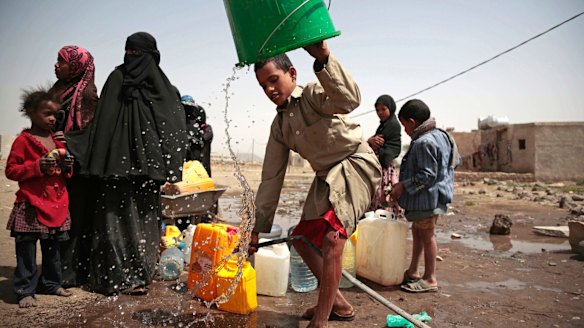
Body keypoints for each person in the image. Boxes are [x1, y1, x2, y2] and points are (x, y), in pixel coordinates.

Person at [249, 41, 381, 327]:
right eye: (263, 86)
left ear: (292, 74)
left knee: (334, 239)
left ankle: (320, 321)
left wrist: (323, 57)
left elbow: (349, 100)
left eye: (274, 80)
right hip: (326, 178)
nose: (270, 89)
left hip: (355, 165)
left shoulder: (312, 95)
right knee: (301, 239)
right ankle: (338, 305)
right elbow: (271, 179)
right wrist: (256, 231)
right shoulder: (279, 127)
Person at [65, 32, 187, 295]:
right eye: (128, 52)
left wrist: (167, 165)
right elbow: (103, 125)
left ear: (152, 56)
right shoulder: (117, 79)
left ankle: (139, 275)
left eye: (137, 54)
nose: (132, 58)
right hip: (115, 171)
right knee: (113, 220)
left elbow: (174, 128)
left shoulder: (163, 89)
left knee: (143, 222)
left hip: (148, 171)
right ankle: (115, 277)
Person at [5, 88, 74, 308]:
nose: (53, 118)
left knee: (52, 247)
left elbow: (65, 172)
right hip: (31, 203)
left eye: (56, 114)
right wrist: (37, 166)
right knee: (26, 249)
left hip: (56, 203)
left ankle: (51, 283)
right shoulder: (23, 141)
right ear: (31, 112)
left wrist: (67, 167)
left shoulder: (58, 141)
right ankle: (25, 290)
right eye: (47, 113)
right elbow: (11, 171)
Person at [389, 99, 459, 293]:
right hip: (434, 195)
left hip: (427, 198)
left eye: (404, 125)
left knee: (427, 235)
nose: (404, 130)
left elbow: (427, 175)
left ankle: (429, 278)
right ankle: (413, 271)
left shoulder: (423, 142)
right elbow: (455, 161)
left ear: (412, 122)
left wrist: (403, 186)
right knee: (418, 232)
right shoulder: (444, 136)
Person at [49, 45, 98, 288]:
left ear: (76, 65)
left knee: (74, 222)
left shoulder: (86, 96)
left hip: (77, 169)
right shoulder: (57, 91)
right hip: (52, 165)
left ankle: (70, 274)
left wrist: (66, 142)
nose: (56, 65)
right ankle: (54, 272)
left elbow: (89, 135)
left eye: (62, 61)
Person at [366, 94, 403, 217]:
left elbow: (384, 148)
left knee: (383, 199)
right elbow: (373, 144)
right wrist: (370, 142)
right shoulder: (383, 126)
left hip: (385, 170)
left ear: (391, 109)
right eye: (377, 110)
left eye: (383, 109)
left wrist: (372, 144)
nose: (380, 113)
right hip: (380, 168)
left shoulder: (392, 125)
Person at [181, 95, 214, 176]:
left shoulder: (204, 128)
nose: (188, 111)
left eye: (190, 108)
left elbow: (206, 137)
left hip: (198, 165)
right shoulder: (179, 125)